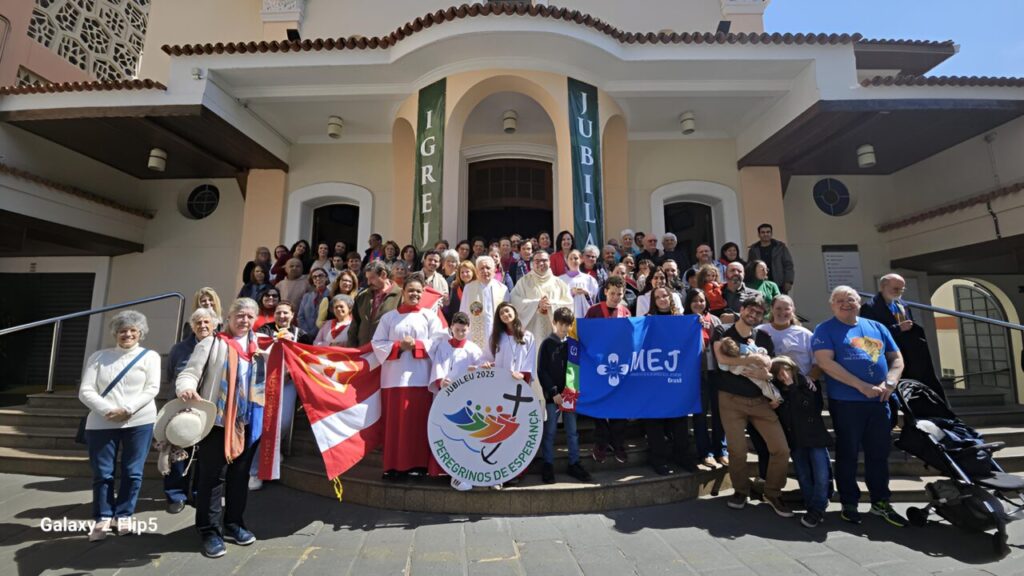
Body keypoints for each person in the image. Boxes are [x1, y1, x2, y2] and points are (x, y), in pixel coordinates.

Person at [176, 298, 265, 558]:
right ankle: (209, 531)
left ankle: (234, 523)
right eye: (240, 315)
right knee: (212, 479)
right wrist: (186, 388)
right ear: (229, 318)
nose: (244, 320)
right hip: (218, 421)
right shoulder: (212, 343)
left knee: (240, 477)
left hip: (248, 422)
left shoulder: (260, 347)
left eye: (249, 316)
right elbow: (189, 373)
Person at [813, 286, 906, 527]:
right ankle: (849, 503)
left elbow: (896, 359)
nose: (845, 303)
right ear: (832, 305)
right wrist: (861, 386)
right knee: (848, 454)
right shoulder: (825, 329)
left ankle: (880, 502)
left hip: (880, 402)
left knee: (878, 454)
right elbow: (825, 363)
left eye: (851, 299)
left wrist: (890, 382)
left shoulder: (877, 327)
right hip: (847, 403)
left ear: (859, 303)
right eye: (839, 300)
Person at [79, 310, 160, 541]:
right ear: (115, 333)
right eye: (123, 330)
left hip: (139, 421)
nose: (128, 334)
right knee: (102, 473)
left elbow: (152, 388)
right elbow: (85, 390)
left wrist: (128, 409)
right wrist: (107, 410)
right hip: (101, 422)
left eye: (133, 330)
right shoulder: (99, 357)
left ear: (140, 333)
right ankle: (103, 516)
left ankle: (124, 514)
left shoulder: (150, 357)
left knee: (133, 472)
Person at [712, 294, 793, 517]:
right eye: (751, 310)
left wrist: (767, 374)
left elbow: (771, 367)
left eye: (759, 313)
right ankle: (740, 491)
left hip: (760, 401)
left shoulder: (764, 337)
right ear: (742, 309)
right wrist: (752, 360)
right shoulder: (722, 331)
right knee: (737, 451)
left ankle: (773, 492)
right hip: (730, 400)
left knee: (781, 449)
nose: (754, 315)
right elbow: (722, 360)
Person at [373, 276, 446, 479]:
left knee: (418, 423)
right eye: (411, 290)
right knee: (395, 425)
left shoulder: (429, 317)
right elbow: (377, 343)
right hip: (393, 379)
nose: (414, 294)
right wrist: (398, 346)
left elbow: (440, 342)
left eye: (418, 291)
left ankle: (419, 464)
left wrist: (417, 345)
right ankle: (393, 466)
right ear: (403, 292)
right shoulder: (389, 318)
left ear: (423, 293)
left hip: (421, 377)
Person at [164, 308, 220, 514]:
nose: (202, 326)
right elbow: (171, 374)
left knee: (205, 454)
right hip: (182, 407)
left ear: (214, 324)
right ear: (192, 326)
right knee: (179, 452)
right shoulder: (180, 348)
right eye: (198, 323)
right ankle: (175, 495)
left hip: (210, 409)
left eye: (206, 322)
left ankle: (198, 492)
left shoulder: (222, 345)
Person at [861, 273, 946, 402]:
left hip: (909, 355)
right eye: (896, 289)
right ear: (883, 287)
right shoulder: (870, 307)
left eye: (902, 289)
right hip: (888, 356)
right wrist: (898, 328)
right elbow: (870, 335)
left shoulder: (902, 304)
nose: (899, 292)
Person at [253, 300, 310, 490]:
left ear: (292, 315)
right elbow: (257, 351)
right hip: (264, 383)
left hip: (288, 383)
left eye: (286, 313)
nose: (282, 316)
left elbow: (305, 361)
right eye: (278, 312)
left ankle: (274, 451)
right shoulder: (265, 330)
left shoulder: (301, 335)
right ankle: (255, 471)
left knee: (283, 423)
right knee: (263, 425)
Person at [772, 356, 833, 529]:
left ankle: (818, 508)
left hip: (814, 436)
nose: (784, 375)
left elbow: (807, 406)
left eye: (786, 370)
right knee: (804, 474)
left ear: (793, 369)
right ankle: (811, 504)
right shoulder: (776, 390)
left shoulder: (807, 384)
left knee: (821, 475)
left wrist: (792, 385)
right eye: (779, 373)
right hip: (795, 438)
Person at [481, 302, 537, 487]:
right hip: (499, 389)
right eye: (501, 313)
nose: (505, 314)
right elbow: (488, 359)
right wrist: (487, 364)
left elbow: (530, 362)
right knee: (499, 430)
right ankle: (497, 470)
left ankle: (516, 471)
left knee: (516, 430)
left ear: (514, 312)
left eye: (507, 310)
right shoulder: (496, 337)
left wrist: (522, 375)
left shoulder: (528, 336)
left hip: (519, 388)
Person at [643, 286, 697, 475]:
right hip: (654, 376)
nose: (662, 299)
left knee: (679, 417)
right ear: (654, 301)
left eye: (665, 295)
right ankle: (658, 458)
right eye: (658, 297)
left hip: (676, 375)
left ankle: (682, 455)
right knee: (655, 419)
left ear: (671, 297)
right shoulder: (647, 320)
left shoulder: (682, 320)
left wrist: (697, 325)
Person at [429, 311, 484, 491]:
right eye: (457, 329)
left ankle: (461, 473)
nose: (460, 333)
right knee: (444, 433)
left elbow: (481, 372)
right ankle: (446, 471)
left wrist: (477, 369)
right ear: (451, 327)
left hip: (465, 400)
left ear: (469, 329)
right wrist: (440, 381)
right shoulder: (442, 346)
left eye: (463, 330)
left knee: (463, 436)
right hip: (445, 395)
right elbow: (437, 365)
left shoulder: (474, 349)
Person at [538, 307, 592, 484]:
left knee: (572, 431)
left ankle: (574, 463)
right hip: (553, 397)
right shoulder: (547, 344)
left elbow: (577, 369)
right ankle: (547, 464)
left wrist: (572, 391)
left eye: (568, 325)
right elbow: (542, 371)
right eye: (561, 324)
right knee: (550, 431)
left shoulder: (573, 345)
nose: (564, 328)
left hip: (570, 395)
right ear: (554, 322)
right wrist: (553, 391)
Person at [585, 276, 631, 464]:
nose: (615, 297)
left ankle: (618, 443)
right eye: (612, 293)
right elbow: (586, 336)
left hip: (619, 366)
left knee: (620, 405)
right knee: (600, 405)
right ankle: (601, 443)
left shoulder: (625, 312)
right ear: (605, 292)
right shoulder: (594, 311)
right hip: (598, 366)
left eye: (619, 294)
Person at [683, 289, 726, 469]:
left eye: (701, 300)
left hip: (716, 372)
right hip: (696, 375)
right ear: (688, 303)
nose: (698, 304)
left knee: (719, 413)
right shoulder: (683, 321)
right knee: (700, 415)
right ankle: (705, 453)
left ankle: (721, 450)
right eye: (694, 300)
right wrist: (692, 326)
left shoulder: (715, 320)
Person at [511, 250, 572, 344]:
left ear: (549, 262)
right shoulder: (523, 282)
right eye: (537, 261)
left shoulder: (559, 283)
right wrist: (536, 304)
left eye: (544, 260)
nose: (541, 263)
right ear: (532, 263)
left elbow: (569, 304)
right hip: (532, 330)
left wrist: (551, 305)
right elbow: (514, 301)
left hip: (553, 330)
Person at [757, 295, 817, 380]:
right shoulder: (759, 331)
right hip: (765, 382)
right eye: (778, 308)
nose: (782, 312)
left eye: (787, 309)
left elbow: (818, 363)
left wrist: (809, 380)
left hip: (798, 384)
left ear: (793, 310)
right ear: (772, 309)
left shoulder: (805, 335)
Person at [348, 260, 402, 348]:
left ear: (383, 274)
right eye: (367, 278)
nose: (368, 282)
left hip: (387, 351)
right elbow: (354, 325)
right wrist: (351, 348)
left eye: (372, 278)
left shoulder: (401, 296)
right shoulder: (362, 296)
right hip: (363, 350)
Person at [460, 256, 509, 351]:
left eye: (488, 268)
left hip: (496, 332)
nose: (485, 271)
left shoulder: (503, 289)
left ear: (494, 270)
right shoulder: (469, 288)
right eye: (481, 268)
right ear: (477, 271)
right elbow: (463, 312)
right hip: (474, 335)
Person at [717, 337, 782, 404]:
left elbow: (728, 369)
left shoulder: (736, 361)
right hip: (761, 368)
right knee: (766, 384)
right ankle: (777, 398)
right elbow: (761, 350)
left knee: (765, 386)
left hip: (759, 370)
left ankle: (777, 399)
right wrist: (754, 346)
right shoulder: (744, 350)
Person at [746, 223, 795, 294]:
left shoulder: (780, 247)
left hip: (779, 283)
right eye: (763, 232)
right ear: (759, 234)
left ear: (771, 234)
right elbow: (750, 267)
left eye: (768, 232)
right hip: (760, 285)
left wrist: (788, 281)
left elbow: (788, 265)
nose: (765, 234)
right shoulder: (754, 249)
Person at [559, 250, 599, 318]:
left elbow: (595, 300)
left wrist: (586, 294)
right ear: (566, 261)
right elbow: (557, 299)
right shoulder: (560, 280)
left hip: (585, 315)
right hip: (566, 317)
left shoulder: (589, 279)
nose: (573, 261)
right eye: (570, 259)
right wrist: (571, 293)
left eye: (576, 258)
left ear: (581, 260)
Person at [297, 268, 330, 335]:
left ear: (326, 278)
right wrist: (307, 332)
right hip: (306, 334)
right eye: (314, 277)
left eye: (320, 276)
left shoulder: (332, 296)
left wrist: (315, 332)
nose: (318, 278)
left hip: (324, 333)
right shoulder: (306, 296)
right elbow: (300, 317)